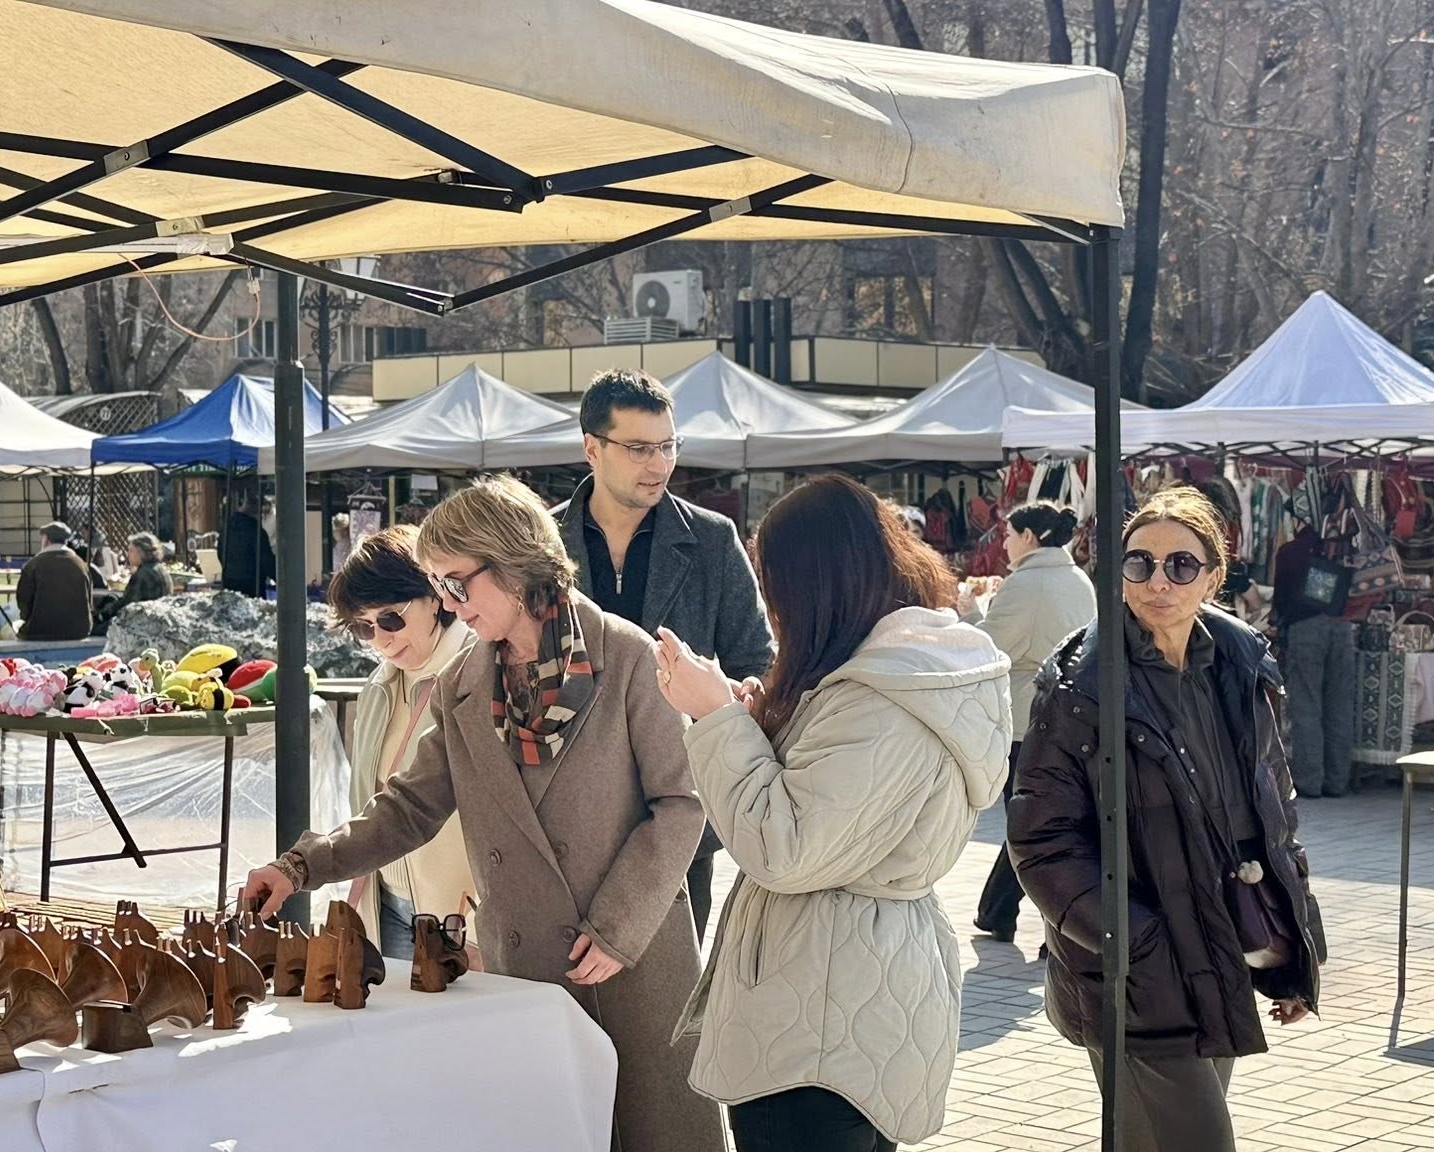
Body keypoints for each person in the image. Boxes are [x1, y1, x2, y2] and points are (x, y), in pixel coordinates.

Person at [242, 475, 723, 1152]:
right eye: (439, 586)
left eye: (456, 583)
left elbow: (680, 801)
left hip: (628, 961)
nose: (448, 603)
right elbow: (409, 807)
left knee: (652, 1134)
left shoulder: (629, 656)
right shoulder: (464, 684)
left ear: (513, 563)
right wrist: (301, 865)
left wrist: (618, 926)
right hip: (525, 968)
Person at [655, 475, 1012, 1151]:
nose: (773, 608)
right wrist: (754, 724)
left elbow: (785, 847)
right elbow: (826, 806)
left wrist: (716, 717)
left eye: (775, 586)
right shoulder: (901, 669)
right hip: (851, 989)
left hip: (820, 1009)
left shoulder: (884, 697)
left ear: (813, 584)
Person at [1008, 486, 1326, 1152]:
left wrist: (1296, 949)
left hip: (1223, 945)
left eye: (1180, 565)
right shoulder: (1082, 681)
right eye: (1139, 563)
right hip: (1134, 968)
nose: (1157, 581)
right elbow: (1040, 839)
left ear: (1214, 576)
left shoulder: (1240, 663)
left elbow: (1275, 815)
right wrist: (1132, 941)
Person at [553, 368, 773, 942]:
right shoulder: (540, 544)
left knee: (673, 982)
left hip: (677, 800)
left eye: (668, 446)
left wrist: (734, 695)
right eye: (639, 449)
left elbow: (757, 659)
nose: (659, 464)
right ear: (592, 449)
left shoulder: (712, 539)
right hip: (560, 801)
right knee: (561, 979)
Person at [326, 524, 479, 959]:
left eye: (391, 618)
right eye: (363, 627)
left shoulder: (478, 674)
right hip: (386, 905)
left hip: (458, 917)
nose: (380, 638)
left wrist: (481, 923)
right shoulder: (378, 687)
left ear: (435, 597)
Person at [967, 501, 1096, 944]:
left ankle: (1032, 921)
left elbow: (987, 648)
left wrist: (970, 611)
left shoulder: (1026, 583)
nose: (1004, 544)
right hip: (1072, 717)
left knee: (1030, 827)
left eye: (1008, 535)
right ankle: (1000, 912)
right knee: (1042, 822)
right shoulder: (1078, 580)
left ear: (1029, 537)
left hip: (1028, 718)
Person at [1272, 518, 1354, 797]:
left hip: (1305, 629)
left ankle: (1310, 781)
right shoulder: (1343, 548)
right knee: (1340, 704)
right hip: (1343, 627)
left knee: (1306, 704)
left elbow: (1280, 599)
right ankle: (1337, 780)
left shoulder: (1290, 552)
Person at [15, 521, 93, 641]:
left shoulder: (33, 565)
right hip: (79, 631)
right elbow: (89, 601)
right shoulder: (81, 564)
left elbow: (23, 602)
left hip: (39, 631)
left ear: (46, 540)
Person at [96, 532, 173, 633]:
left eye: (131, 551)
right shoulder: (162, 570)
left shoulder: (142, 574)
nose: (128, 554)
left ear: (142, 552)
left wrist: (104, 615)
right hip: (161, 623)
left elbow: (127, 606)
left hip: (143, 626)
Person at [220, 493, 277, 598]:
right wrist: (282, 579)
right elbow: (266, 562)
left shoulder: (226, 527)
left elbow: (220, 554)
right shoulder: (256, 532)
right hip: (251, 586)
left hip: (229, 583)